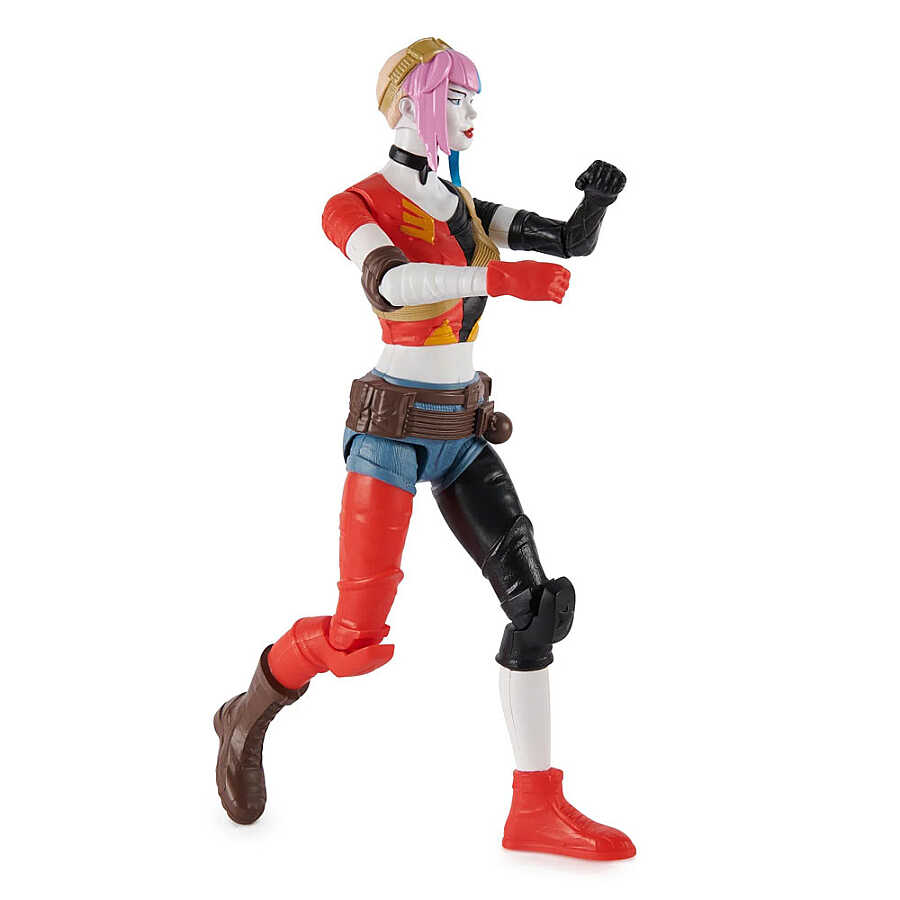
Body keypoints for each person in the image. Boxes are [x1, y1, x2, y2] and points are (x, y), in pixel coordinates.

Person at [214, 37, 633, 861]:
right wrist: (496, 280)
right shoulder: (354, 202)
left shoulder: (462, 205)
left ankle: (535, 807)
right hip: (391, 436)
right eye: (460, 98)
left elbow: (564, 240)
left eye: (475, 100)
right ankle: (247, 709)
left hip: (463, 435)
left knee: (537, 609)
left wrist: (596, 202)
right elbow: (392, 282)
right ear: (413, 103)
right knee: (354, 639)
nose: (473, 114)